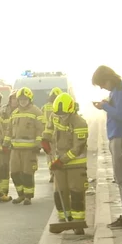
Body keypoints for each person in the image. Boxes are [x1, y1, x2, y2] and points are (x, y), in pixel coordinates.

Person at [92, 65, 122, 229]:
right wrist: (108, 103)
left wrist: (105, 106)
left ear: (108, 78)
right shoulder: (117, 90)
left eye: (102, 84)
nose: (103, 88)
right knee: (119, 178)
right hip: (117, 136)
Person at [45, 93, 89, 232]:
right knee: (59, 192)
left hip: (76, 164)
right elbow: (50, 128)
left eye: (63, 114)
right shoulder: (56, 116)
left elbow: (77, 148)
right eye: (59, 114)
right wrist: (45, 139)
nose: (61, 117)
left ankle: (78, 223)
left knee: (76, 192)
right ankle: (64, 219)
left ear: (70, 110)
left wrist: (61, 161)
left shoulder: (80, 123)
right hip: (59, 162)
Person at [5, 87, 44, 205]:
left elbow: (40, 129)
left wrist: (38, 144)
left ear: (29, 99)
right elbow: (9, 129)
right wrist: (6, 143)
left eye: (25, 99)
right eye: (20, 99)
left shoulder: (36, 112)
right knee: (15, 173)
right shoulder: (14, 113)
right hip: (15, 150)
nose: (22, 101)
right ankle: (20, 195)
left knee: (27, 173)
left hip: (29, 150)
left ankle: (28, 197)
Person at [0, 90, 19, 199]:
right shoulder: (3, 111)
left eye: (16, 99)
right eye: (13, 99)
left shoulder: (22, 111)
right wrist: (3, 143)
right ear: (10, 100)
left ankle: (21, 193)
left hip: (17, 146)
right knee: (4, 168)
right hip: (5, 144)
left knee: (17, 170)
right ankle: (4, 192)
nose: (14, 101)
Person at [43, 87, 62, 183]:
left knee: (50, 156)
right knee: (58, 154)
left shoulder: (45, 107)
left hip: (48, 134)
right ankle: (57, 173)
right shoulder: (61, 106)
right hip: (58, 135)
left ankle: (52, 173)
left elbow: (42, 121)